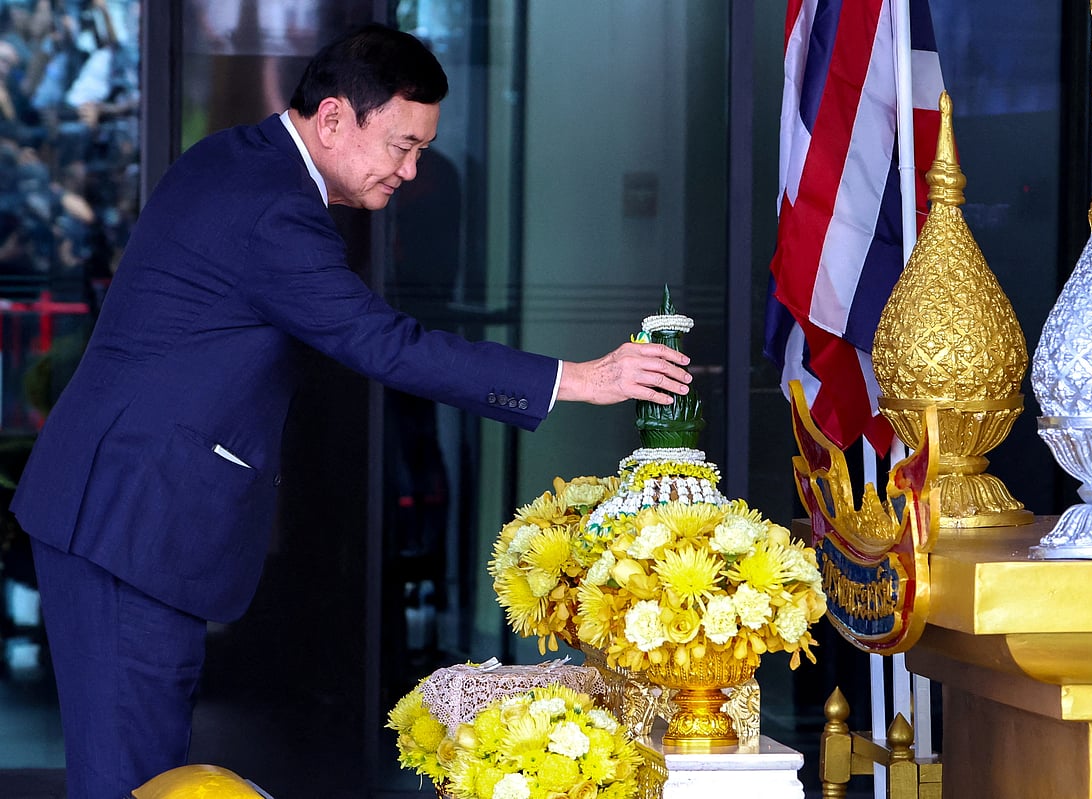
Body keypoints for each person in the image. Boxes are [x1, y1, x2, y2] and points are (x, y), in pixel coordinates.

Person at [9, 22, 692, 798]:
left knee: (143, 773)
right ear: (333, 118)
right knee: (129, 782)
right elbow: (383, 343)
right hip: (128, 523)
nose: (410, 170)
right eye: (402, 145)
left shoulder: (239, 157)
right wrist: (581, 377)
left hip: (124, 512)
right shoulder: (273, 206)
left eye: (423, 151)